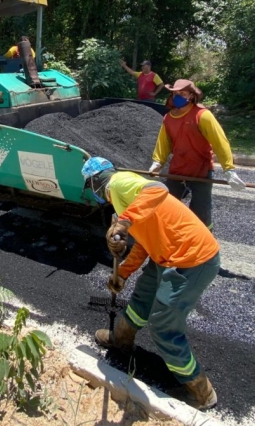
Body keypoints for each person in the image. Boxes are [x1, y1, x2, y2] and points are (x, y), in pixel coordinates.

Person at [82, 157, 220, 410]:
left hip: (191, 258)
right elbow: (144, 241)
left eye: (90, 188)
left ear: (95, 182)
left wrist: (123, 223)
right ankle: (121, 340)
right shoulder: (122, 201)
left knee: (163, 326)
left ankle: (201, 393)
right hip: (165, 254)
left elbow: (158, 189)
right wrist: (123, 273)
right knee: (142, 298)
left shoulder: (118, 183)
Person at [148, 79, 245, 230]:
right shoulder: (169, 118)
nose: (178, 96)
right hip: (178, 169)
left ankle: (206, 242)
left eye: (182, 93)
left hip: (200, 171)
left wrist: (229, 169)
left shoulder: (202, 115)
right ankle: (170, 240)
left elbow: (220, 142)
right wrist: (157, 162)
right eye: (175, 93)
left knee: (201, 212)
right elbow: (163, 142)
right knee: (167, 207)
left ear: (191, 96)